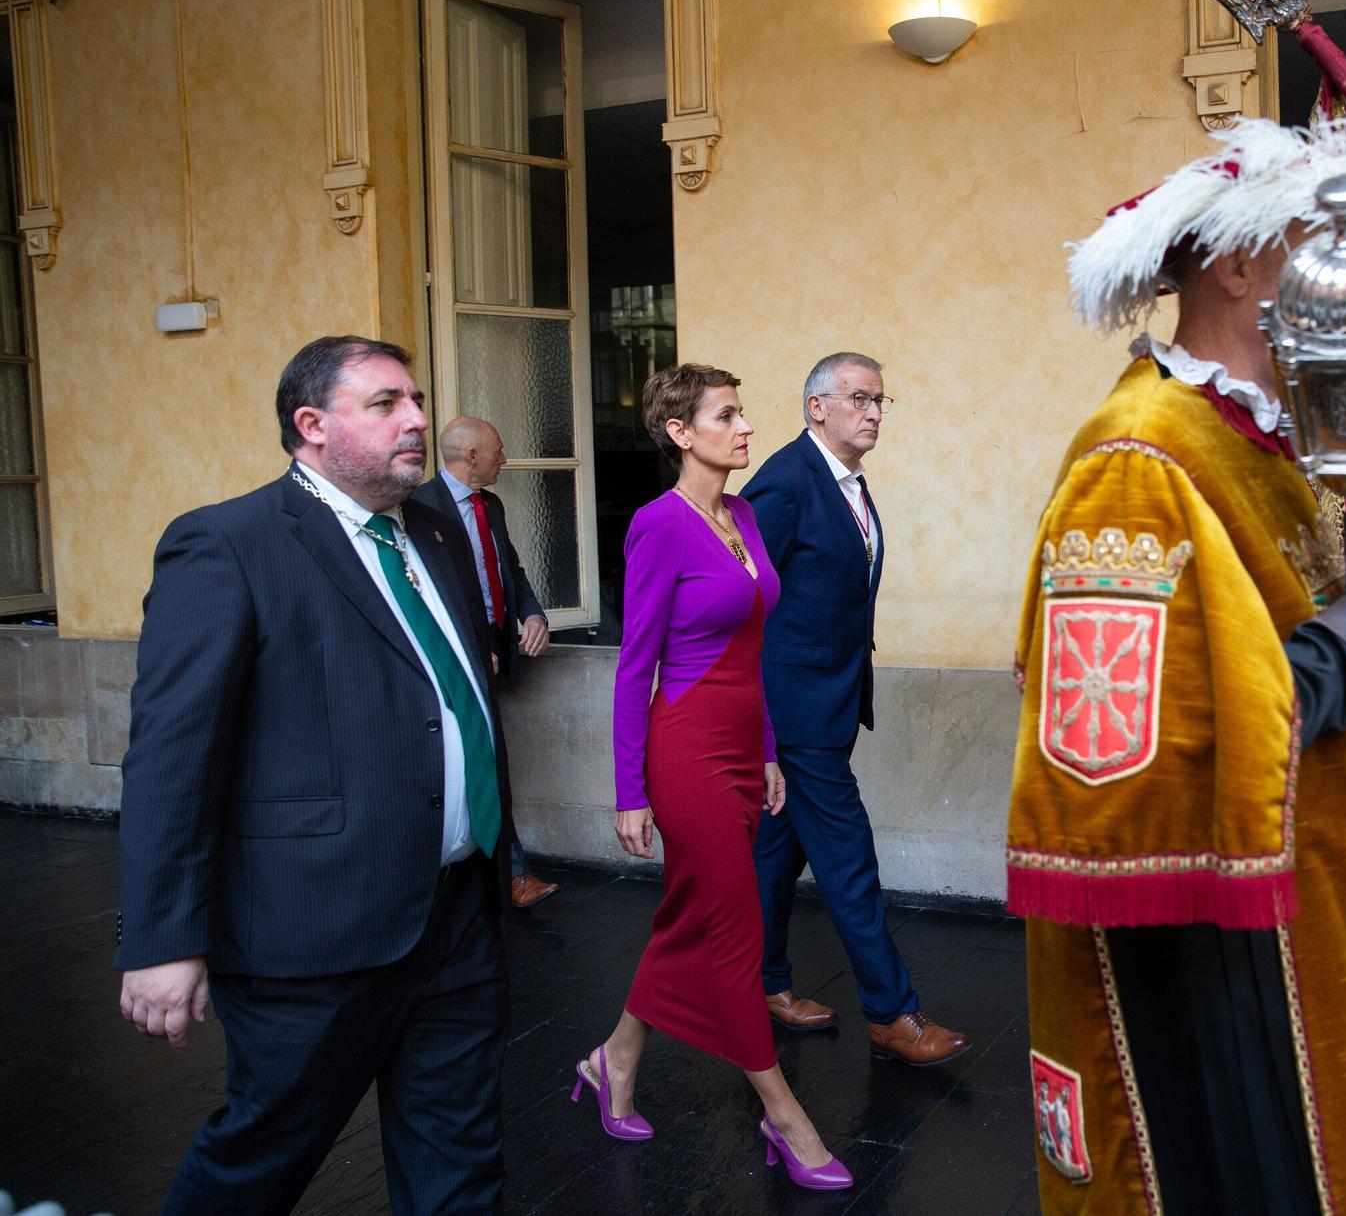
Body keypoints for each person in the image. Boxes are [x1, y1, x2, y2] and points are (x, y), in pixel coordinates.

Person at [1007, 113, 1346, 1214]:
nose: (1338, 267)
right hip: (1226, 930)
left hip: (1318, 875)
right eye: (1312, 237)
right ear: (1234, 264)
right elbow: (1130, 741)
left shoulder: (1281, 434)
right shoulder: (1137, 451)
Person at [116, 335, 514, 1213]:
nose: (417, 418)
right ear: (313, 426)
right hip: (316, 924)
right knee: (261, 1159)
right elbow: (172, 757)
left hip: (458, 910)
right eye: (385, 404)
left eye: (415, 399)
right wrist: (161, 937)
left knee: (460, 1156)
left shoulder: (436, 530)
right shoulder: (228, 543)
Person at [579, 363, 850, 1191]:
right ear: (680, 432)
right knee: (734, 930)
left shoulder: (741, 513)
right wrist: (630, 788)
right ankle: (784, 1113)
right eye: (727, 415)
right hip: (686, 747)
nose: (745, 427)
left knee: (693, 915)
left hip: (740, 745)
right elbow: (636, 667)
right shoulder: (659, 526)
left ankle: (614, 1058)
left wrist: (766, 747)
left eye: (742, 412)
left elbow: (752, 646)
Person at [741, 351, 971, 1066]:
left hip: (829, 705)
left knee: (774, 859)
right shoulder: (783, 482)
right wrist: (766, 728)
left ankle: (761, 984)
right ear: (816, 406)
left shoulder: (846, 483)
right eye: (860, 398)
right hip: (797, 714)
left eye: (881, 400)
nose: (874, 412)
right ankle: (891, 1012)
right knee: (849, 862)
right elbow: (744, 600)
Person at [413, 414, 558, 907]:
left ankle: (505, 874)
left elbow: (508, 567)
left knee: (490, 757)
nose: (505, 459)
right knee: (480, 757)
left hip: (493, 649)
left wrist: (532, 612)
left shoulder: (489, 505)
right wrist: (472, 652)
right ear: (471, 455)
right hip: (459, 658)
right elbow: (431, 592)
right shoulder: (417, 507)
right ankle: (506, 874)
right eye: (498, 450)